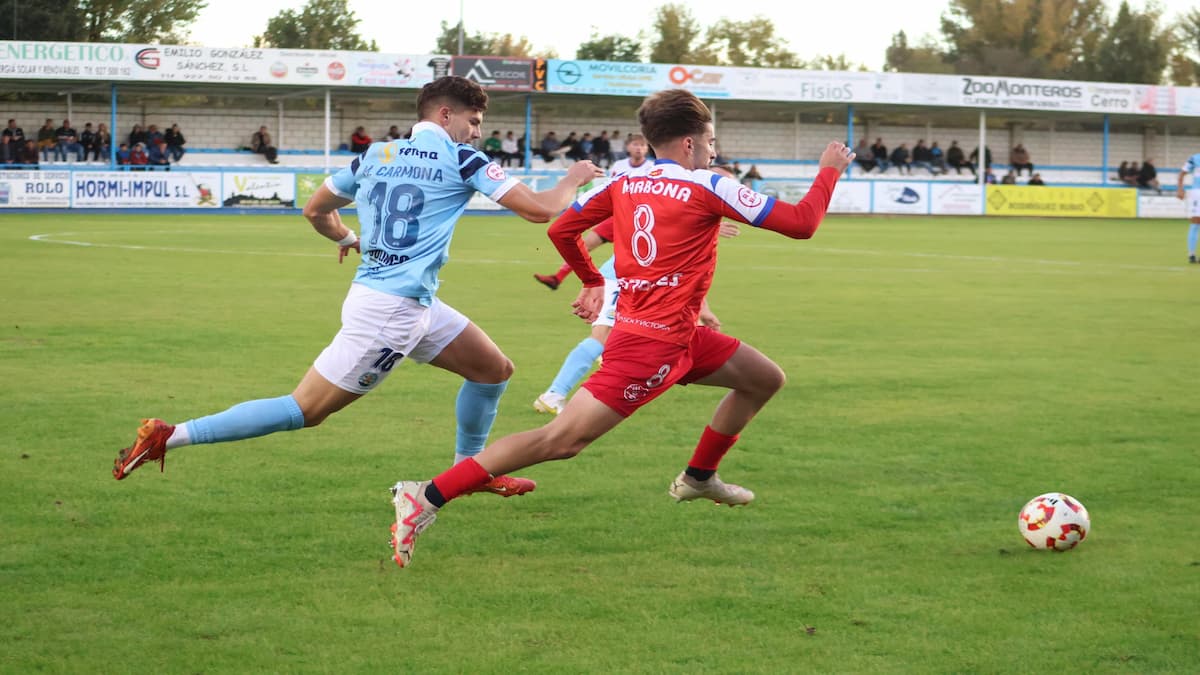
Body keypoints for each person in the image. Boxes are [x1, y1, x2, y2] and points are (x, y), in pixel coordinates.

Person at [387, 87, 855, 568]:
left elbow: (559, 230)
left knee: (763, 379)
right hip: (650, 345)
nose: (714, 151)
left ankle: (699, 477)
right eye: (710, 141)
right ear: (689, 144)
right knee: (560, 441)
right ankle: (426, 495)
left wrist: (593, 281)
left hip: (679, 334)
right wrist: (829, 170)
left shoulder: (625, 184)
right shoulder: (710, 185)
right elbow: (802, 223)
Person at [111, 76, 604, 503]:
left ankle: (466, 473)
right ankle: (169, 436)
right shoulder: (462, 157)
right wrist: (573, 179)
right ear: (447, 115)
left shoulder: (373, 155)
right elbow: (541, 209)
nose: (478, 131)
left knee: (493, 370)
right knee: (304, 410)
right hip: (390, 313)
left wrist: (349, 238)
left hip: (407, 301)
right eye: (474, 121)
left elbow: (314, 210)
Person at [533, 133, 655, 291]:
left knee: (635, 256)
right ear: (628, 147)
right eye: (635, 145)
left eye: (643, 145)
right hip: (615, 216)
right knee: (585, 244)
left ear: (647, 149)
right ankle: (558, 277)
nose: (639, 148)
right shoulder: (619, 165)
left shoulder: (651, 169)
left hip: (637, 219)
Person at [1177, 150, 1200, 264]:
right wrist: (1180, 189)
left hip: (1197, 194)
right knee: (1195, 223)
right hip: (1198, 193)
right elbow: (1182, 173)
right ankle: (1191, 254)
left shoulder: (1194, 158)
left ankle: (1192, 254)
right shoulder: (1195, 158)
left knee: (1195, 224)